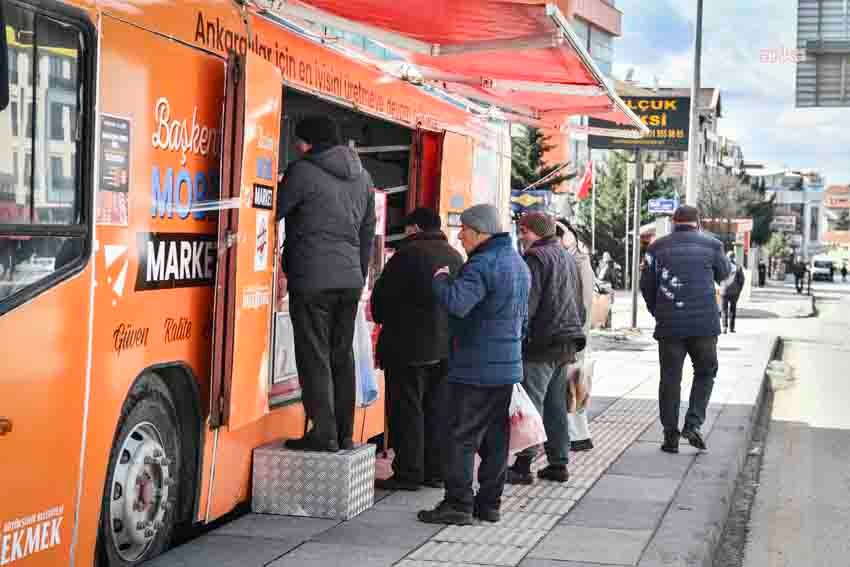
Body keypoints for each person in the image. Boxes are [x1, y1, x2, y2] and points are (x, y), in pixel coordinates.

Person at [418, 204, 530, 525]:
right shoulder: (517, 263)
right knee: (496, 440)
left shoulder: (482, 264)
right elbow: (523, 320)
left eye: (464, 230)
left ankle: (457, 504)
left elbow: (457, 304)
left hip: (475, 368)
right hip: (506, 366)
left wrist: (441, 279)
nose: (460, 236)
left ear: (481, 232)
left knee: (461, 437)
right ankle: (489, 505)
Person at [277, 115, 377, 452]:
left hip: (311, 279)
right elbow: (367, 233)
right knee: (341, 355)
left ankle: (324, 434)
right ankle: (345, 433)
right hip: (349, 282)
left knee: (314, 355)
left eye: (298, 141)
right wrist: (357, 275)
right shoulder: (363, 177)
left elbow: (270, 209)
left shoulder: (302, 171)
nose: (296, 147)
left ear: (308, 142)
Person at [371, 208, 464, 491]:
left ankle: (409, 473)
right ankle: (435, 472)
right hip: (446, 347)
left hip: (408, 347)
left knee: (407, 409)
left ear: (414, 228)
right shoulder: (454, 256)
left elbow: (381, 304)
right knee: (437, 408)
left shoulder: (406, 255)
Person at [640, 205, 730, 454]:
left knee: (670, 379)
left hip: (669, 326)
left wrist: (658, 311)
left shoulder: (656, 248)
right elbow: (724, 275)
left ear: (673, 222)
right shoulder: (713, 246)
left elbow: (646, 286)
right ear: (697, 223)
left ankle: (670, 436)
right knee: (706, 372)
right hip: (704, 326)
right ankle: (693, 424)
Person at [507, 213, 585, 485]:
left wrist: (517, 337)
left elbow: (527, 305)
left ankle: (523, 465)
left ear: (537, 232)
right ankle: (558, 462)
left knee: (531, 403)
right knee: (555, 405)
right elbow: (578, 301)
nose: (521, 237)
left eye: (525, 231)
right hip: (566, 341)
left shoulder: (535, 258)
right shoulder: (567, 256)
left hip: (542, 342)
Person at [557, 219, 595, 452]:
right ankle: (575, 435)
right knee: (572, 384)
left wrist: (579, 336)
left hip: (574, 335)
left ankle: (577, 436)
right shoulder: (570, 259)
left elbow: (585, 303)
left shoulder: (579, 261)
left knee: (573, 384)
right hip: (573, 334)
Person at [720, 251, 746, 334]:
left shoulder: (722, 266)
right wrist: (739, 290)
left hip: (724, 291)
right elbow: (742, 280)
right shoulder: (738, 267)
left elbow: (717, 277)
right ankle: (731, 328)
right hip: (734, 292)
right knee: (732, 310)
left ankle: (724, 327)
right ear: (734, 257)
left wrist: (721, 286)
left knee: (724, 310)